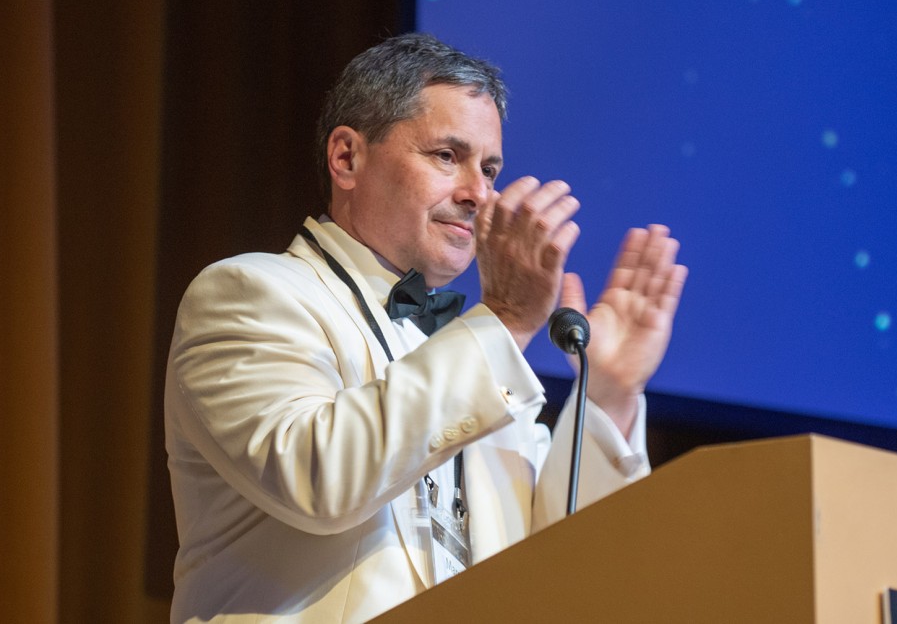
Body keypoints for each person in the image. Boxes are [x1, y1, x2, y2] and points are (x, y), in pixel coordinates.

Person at [164, 33, 687, 623]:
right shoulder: (250, 293)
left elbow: (566, 566)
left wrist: (610, 395)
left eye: (489, 169)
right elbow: (319, 478)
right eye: (446, 156)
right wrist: (505, 321)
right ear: (347, 158)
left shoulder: (475, 362)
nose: (478, 194)